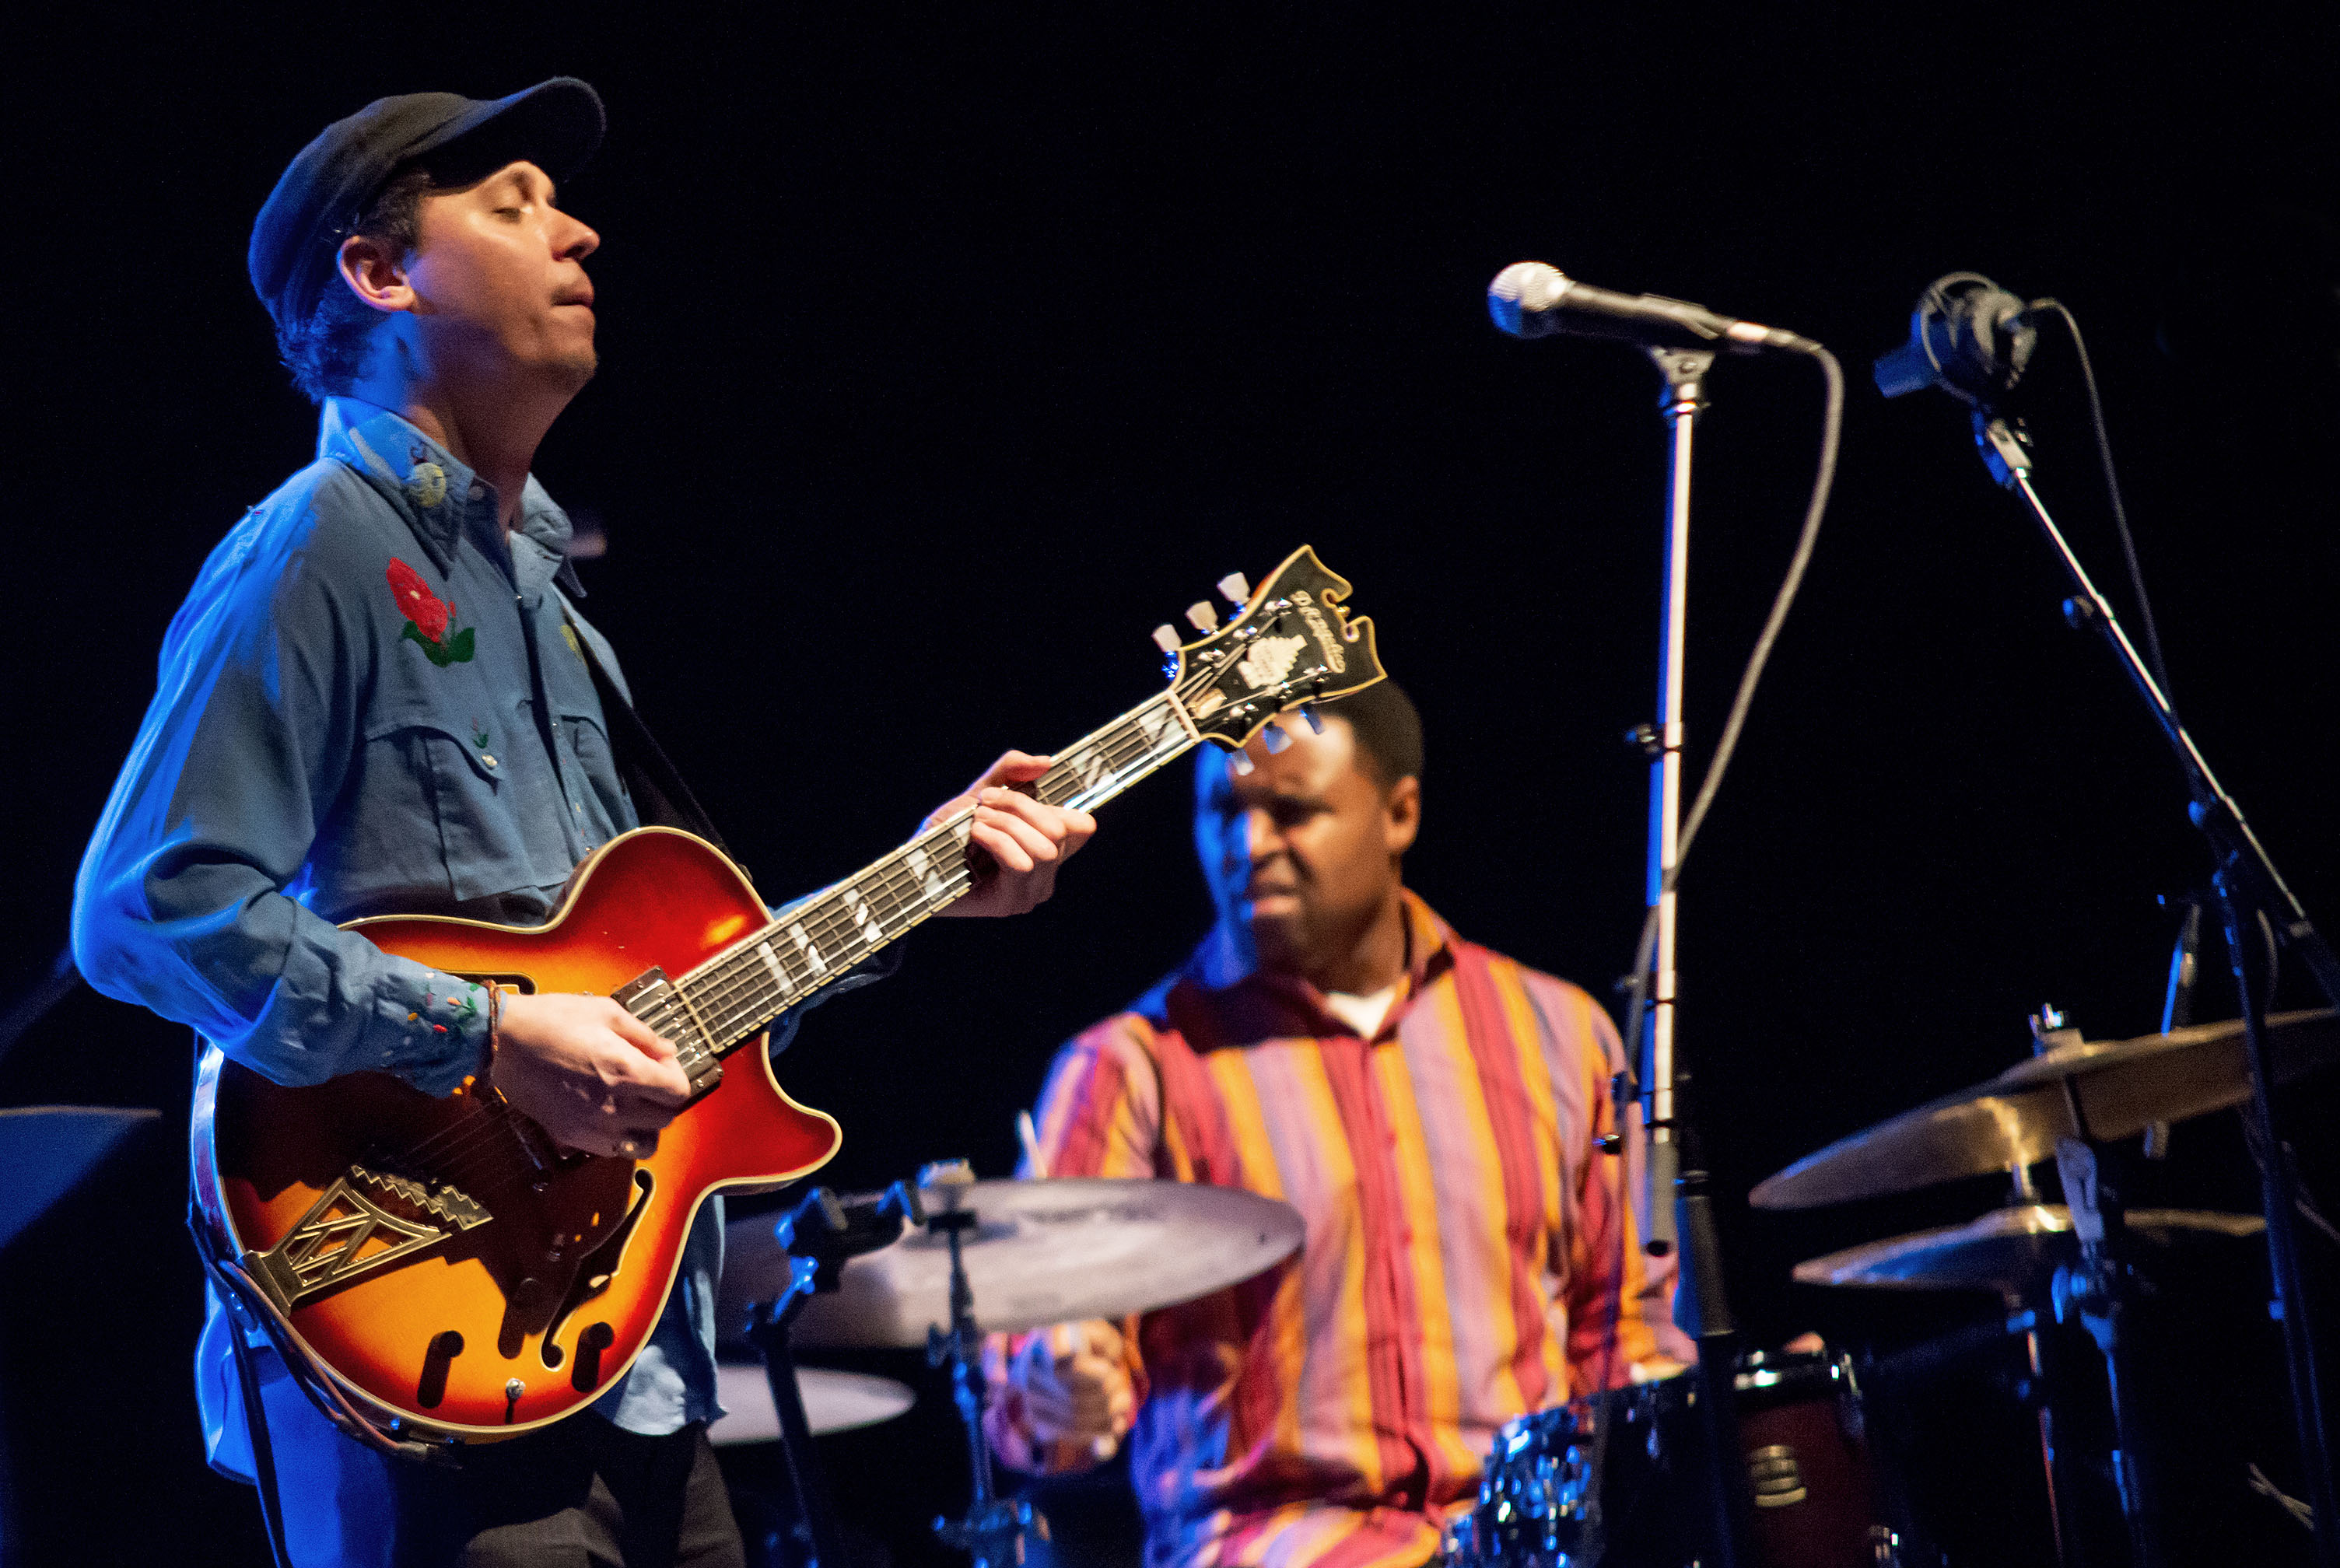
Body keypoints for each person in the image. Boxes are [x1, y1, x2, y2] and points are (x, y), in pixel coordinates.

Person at [71, 80, 1094, 1567]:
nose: (580, 230)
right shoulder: (318, 546)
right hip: (422, 1351)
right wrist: (487, 1036)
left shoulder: (557, 616)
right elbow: (142, 911)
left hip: (627, 1363)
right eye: (513, 203)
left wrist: (933, 882)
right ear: (379, 273)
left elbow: (665, 1025)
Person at [986, 682, 1691, 1568]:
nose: (1247, 846)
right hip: (1269, 1546)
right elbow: (1030, 1407)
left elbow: (1624, 1332)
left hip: (1530, 1540)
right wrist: (1060, 1392)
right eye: (1221, 812)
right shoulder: (1129, 1067)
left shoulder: (1560, 1034)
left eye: (1291, 812)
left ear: (1399, 814)